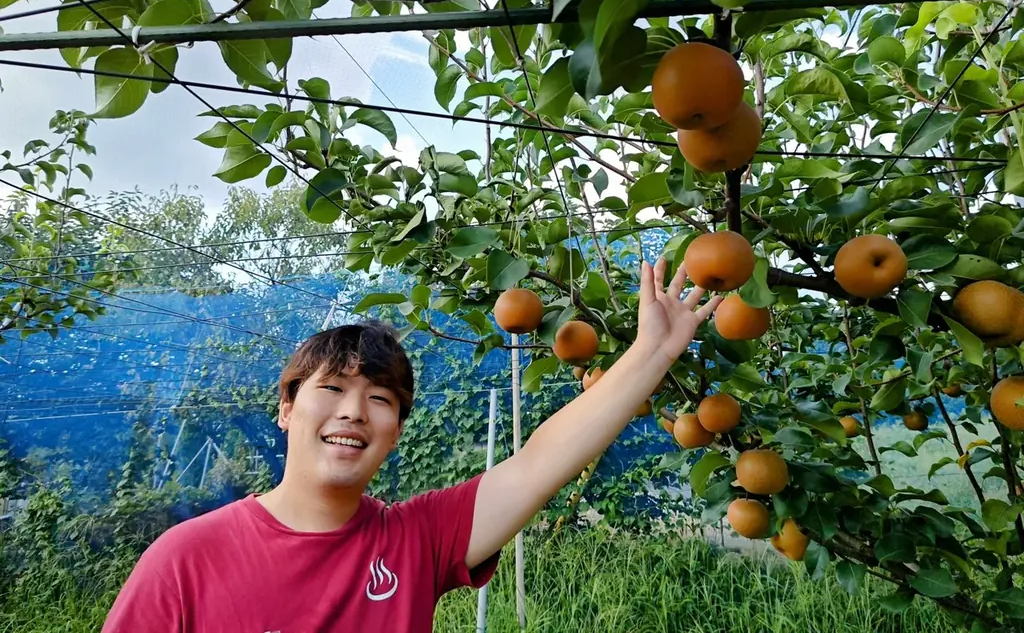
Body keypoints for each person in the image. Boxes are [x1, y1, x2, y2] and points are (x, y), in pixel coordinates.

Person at [102, 257, 720, 632]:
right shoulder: (184, 560)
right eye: (333, 388)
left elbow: (538, 466)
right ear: (286, 408)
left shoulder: (414, 542)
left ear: (395, 431)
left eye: (380, 399)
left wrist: (652, 354)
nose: (353, 411)